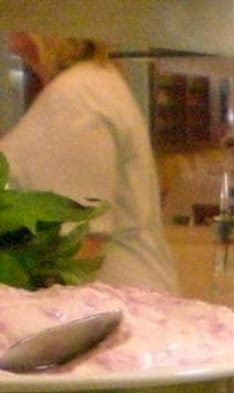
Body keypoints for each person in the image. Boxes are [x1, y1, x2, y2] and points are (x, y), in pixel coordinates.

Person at [0, 33, 178, 293]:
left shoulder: (77, 95)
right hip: (118, 300)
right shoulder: (91, 84)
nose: (11, 40)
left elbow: (76, 248)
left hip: (103, 305)